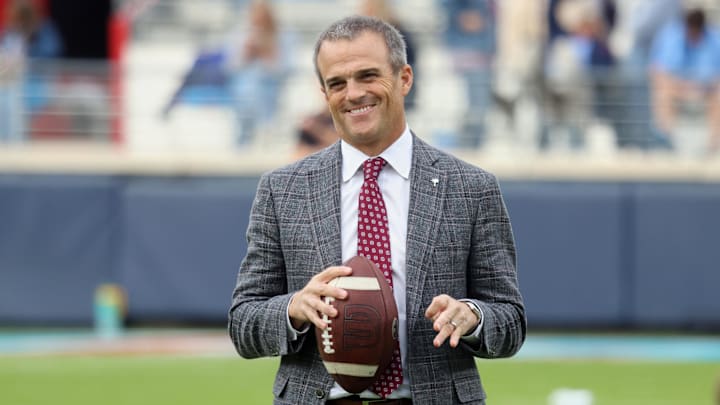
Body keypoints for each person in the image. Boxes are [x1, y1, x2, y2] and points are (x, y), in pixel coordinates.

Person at [228, 15, 526, 405]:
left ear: (404, 78)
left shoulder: (471, 187)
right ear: (324, 93)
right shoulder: (282, 189)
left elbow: (510, 320)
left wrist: (472, 316)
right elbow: (243, 322)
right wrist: (292, 309)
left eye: (367, 75)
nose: (352, 93)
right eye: (337, 83)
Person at [649, 7, 720, 153]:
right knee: (663, 93)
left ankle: (714, 145)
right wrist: (686, 88)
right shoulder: (672, 36)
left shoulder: (714, 38)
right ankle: (667, 142)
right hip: (678, 90)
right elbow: (659, 73)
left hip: (707, 91)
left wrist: (700, 88)